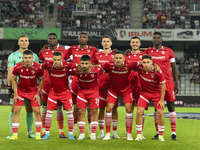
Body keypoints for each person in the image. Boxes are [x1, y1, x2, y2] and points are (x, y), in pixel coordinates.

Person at [144, 32, 179, 141]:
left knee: (171, 107)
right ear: (152, 40)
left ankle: (173, 133)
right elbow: (140, 61)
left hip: (168, 83)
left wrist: (176, 83)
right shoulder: (148, 51)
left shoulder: (169, 51)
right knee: (157, 109)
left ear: (161, 39)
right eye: (154, 38)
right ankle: (158, 132)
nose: (156, 39)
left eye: (158, 38)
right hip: (156, 84)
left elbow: (174, 67)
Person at [101, 50, 138, 141]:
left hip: (126, 90)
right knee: (109, 109)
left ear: (123, 59)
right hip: (113, 90)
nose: (118, 60)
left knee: (129, 110)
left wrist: (155, 65)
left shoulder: (130, 64)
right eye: (116, 58)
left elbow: (141, 63)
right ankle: (108, 134)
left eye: (120, 58)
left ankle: (128, 134)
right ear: (114, 59)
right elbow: (97, 66)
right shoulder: (108, 65)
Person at [7, 35, 39, 139]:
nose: (24, 42)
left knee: (29, 109)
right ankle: (12, 133)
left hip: (31, 89)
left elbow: (37, 73)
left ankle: (29, 132)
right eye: (22, 41)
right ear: (18, 43)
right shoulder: (13, 56)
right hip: (18, 89)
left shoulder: (34, 56)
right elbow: (10, 74)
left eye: (26, 41)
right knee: (13, 109)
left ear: (28, 43)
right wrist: (9, 88)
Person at [67, 32, 98, 137]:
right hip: (76, 80)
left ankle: (90, 130)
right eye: (80, 37)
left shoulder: (93, 50)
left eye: (84, 37)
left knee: (91, 108)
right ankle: (75, 129)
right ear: (78, 39)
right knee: (77, 107)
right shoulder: (72, 48)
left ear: (87, 39)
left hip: (89, 79)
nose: (82, 39)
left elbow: (97, 62)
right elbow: (63, 56)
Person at [39, 33, 70, 138]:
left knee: (60, 108)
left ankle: (61, 131)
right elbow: (40, 67)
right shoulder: (43, 51)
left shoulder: (64, 51)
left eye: (54, 38)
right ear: (48, 40)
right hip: (46, 84)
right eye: (50, 39)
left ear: (57, 40)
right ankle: (44, 131)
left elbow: (68, 65)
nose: (52, 40)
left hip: (58, 84)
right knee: (44, 108)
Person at [40, 51, 76, 140]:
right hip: (53, 92)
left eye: (58, 60)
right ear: (52, 59)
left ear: (62, 59)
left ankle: (71, 133)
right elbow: (37, 66)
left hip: (65, 92)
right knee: (49, 112)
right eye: (55, 60)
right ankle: (47, 133)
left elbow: (79, 66)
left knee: (69, 113)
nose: (56, 61)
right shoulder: (48, 65)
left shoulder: (67, 65)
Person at [9, 50, 44, 140]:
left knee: (37, 111)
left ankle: (37, 134)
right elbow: (13, 79)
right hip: (20, 91)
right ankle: (15, 134)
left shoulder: (38, 67)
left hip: (33, 92)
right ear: (22, 58)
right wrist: (15, 94)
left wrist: (37, 93)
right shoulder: (17, 67)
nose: (27, 60)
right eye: (26, 58)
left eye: (29, 58)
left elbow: (41, 80)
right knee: (16, 111)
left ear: (32, 58)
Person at [71, 55, 104, 140]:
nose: (84, 65)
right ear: (80, 64)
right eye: (82, 63)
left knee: (94, 111)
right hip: (82, 92)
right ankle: (82, 134)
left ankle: (92, 133)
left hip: (94, 92)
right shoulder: (76, 71)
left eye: (86, 63)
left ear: (90, 63)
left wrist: (96, 66)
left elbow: (104, 68)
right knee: (81, 112)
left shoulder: (96, 70)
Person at [135, 54, 166, 141]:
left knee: (160, 113)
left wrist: (162, 99)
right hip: (144, 94)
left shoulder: (158, 71)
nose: (146, 64)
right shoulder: (140, 68)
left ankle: (160, 136)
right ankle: (139, 135)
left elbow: (163, 85)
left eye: (148, 62)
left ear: (152, 62)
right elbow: (130, 63)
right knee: (139, 112)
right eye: (144, 62)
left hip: (156, 94)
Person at [94, 35, 120, 139]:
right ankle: (101, 132)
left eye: (107, 41)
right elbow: (94, 67)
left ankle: (114, 132)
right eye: (104, 41)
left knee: (114, 109)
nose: (105, 43)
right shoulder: (97, 55)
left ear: (111, 43)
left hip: (113, 85)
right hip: (100, 85)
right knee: (101, 108)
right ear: (101, 43)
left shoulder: (115, 55)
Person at [123, 36, 145, 140]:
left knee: (141, 110)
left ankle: (141, 133)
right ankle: (128, 133)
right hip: (129, 85)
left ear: (140, 44)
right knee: (129, 110)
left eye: (137, 42)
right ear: (130, 44)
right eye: (133, 42)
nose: (135, 44)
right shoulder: (126, 55)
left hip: (142, 85)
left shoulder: (144, 55)